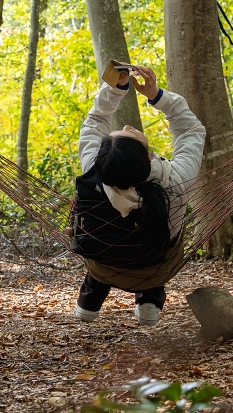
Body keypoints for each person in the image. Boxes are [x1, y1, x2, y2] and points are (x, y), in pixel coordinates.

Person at [72, 64, 205, 327]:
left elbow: (94, 123)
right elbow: (190, 130)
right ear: (147, 156)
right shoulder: (176, 181)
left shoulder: (91, 168)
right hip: (155, 268)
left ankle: (88, 307)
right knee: (158, 234)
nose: (127, 124)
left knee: (110, 241)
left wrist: (116, 89)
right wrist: (156, 95)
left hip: (102, 264)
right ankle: (149, 304)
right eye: (130, 133)